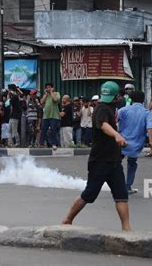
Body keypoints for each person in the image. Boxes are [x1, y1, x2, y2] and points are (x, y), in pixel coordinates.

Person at [62, 81, 130, 231]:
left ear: (117, 96)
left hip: (114, 161)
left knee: (121, 195)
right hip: (99, 161)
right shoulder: (101, 109)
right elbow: (103, 125)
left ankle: (127, 229)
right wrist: (117, 135)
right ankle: (67, 220)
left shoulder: (113, 108)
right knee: (89, 194)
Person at [118, 90, 152, 194]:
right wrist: (151, 142)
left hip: (121, 141)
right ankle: (128, 186)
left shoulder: (123, 110)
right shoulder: (146, 112)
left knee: (117, 163)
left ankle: (117, 184)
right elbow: (150, 127)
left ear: (131, 99)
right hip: (136, 144)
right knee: (132, 163)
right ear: (143, 100)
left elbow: (114, 122)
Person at [40, 82, 61, 150]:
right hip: (46, 116)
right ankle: (41, 144)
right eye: (47, 87)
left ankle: (54, 144)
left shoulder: (56, 93)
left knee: (53, 130)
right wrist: (46, 94)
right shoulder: (45, 95)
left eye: (49, 87)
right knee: (43, 129)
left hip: (54, 116)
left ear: (52, 88)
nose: (48, 88)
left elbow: (55, 100)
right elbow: (41, 102)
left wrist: (51, 92)